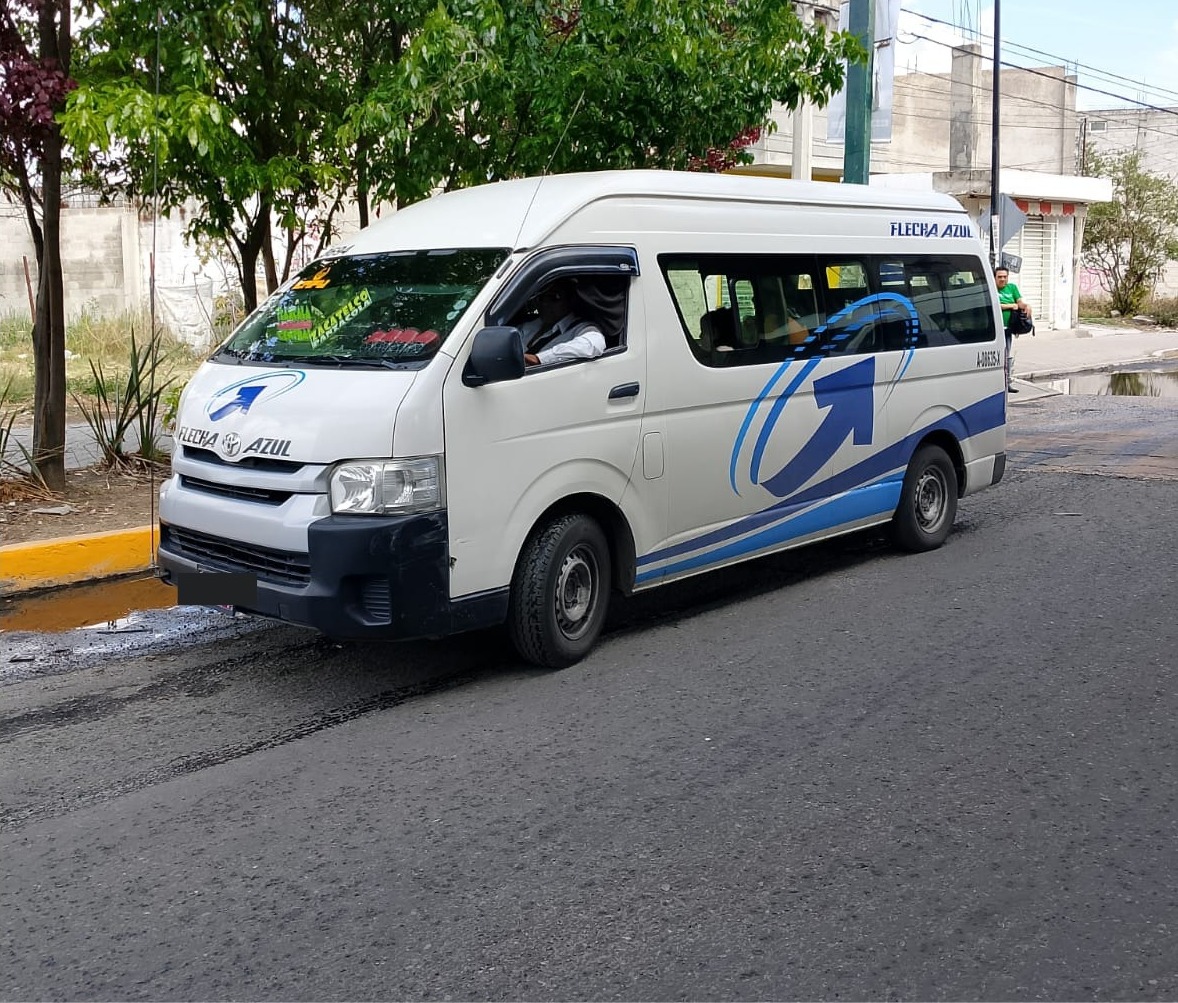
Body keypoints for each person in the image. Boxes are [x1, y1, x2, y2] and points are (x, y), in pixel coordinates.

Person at [519, 279, 606, 367]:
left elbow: (594, 344)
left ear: (570, 300)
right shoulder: (530, 324)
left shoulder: (581, 328)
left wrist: (539, 359)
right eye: (541, 298)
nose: (545, 303)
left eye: (554, 297)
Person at [995, 266, 1032, 394]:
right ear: (995, 277)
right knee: (996, 357)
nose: (1002, 279)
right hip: (994, 330)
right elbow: (994, 305)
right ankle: (996, 384)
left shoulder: (1012, 288)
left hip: (1008, 328)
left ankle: (1007, 383)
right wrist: (1010, 306)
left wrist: (1026, 306)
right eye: (999, 277)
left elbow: (1019, 302)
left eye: (1004, 277)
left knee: (1006, 356)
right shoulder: (992, 288)